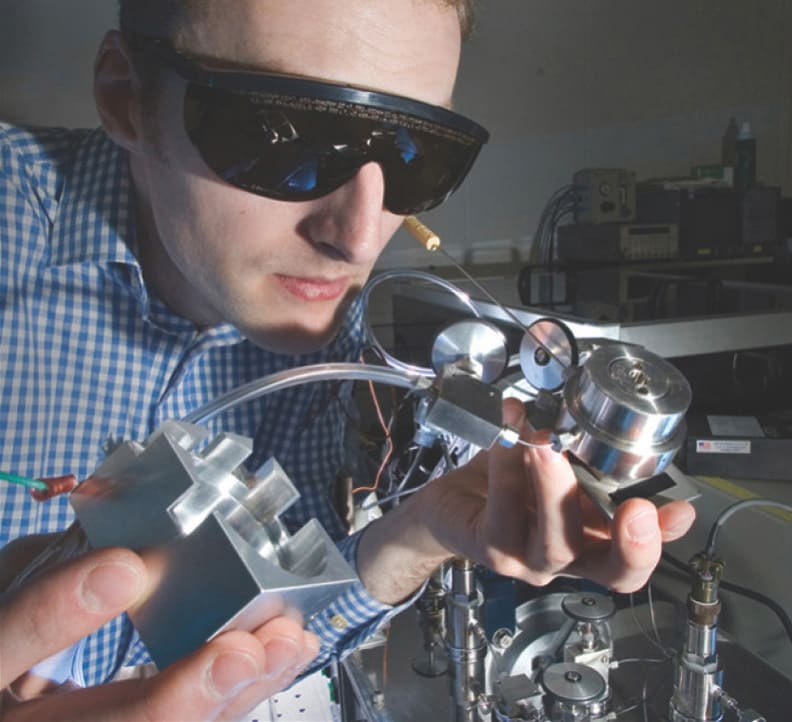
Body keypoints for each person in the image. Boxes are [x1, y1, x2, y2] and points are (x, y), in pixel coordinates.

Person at [0, 0, 696, 719]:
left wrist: (421, 532)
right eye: (284, 136)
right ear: (127, 96)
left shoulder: (315, 311)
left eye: (415, 154)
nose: (359, 238)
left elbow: (268, 635)